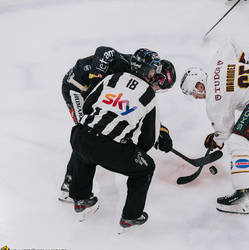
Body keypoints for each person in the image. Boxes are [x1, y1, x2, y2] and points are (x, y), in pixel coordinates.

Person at [68, 48, 176, 229]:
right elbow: (149, 138)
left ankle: (80, 198)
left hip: (79, 135)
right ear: (144, 70)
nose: (155, 73)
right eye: (153, 69)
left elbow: (87, 105)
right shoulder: (149, 95)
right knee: (145, 168)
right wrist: (135, 153)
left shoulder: (113, 77)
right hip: (108, 149)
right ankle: (131, 216)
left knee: (85, 150)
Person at [180, 46, 249, 214]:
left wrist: (216, 140)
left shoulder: (214, 101)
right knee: (247, 104)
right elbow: (230, 44)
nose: (195, 97)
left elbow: (226, 133)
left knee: (237, 141)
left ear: (200, 86)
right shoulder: (218, 62)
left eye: (193, 93)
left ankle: (242, 196)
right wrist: (242, 61)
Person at [59, 46, 134, 202]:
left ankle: (73, 182)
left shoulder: (137, 75)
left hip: (90, 93)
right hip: (77, 88)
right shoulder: (127, 64)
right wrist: (95, 82)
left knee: (89, 132)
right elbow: (103, 51)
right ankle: (70, 183)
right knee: (85, 131)